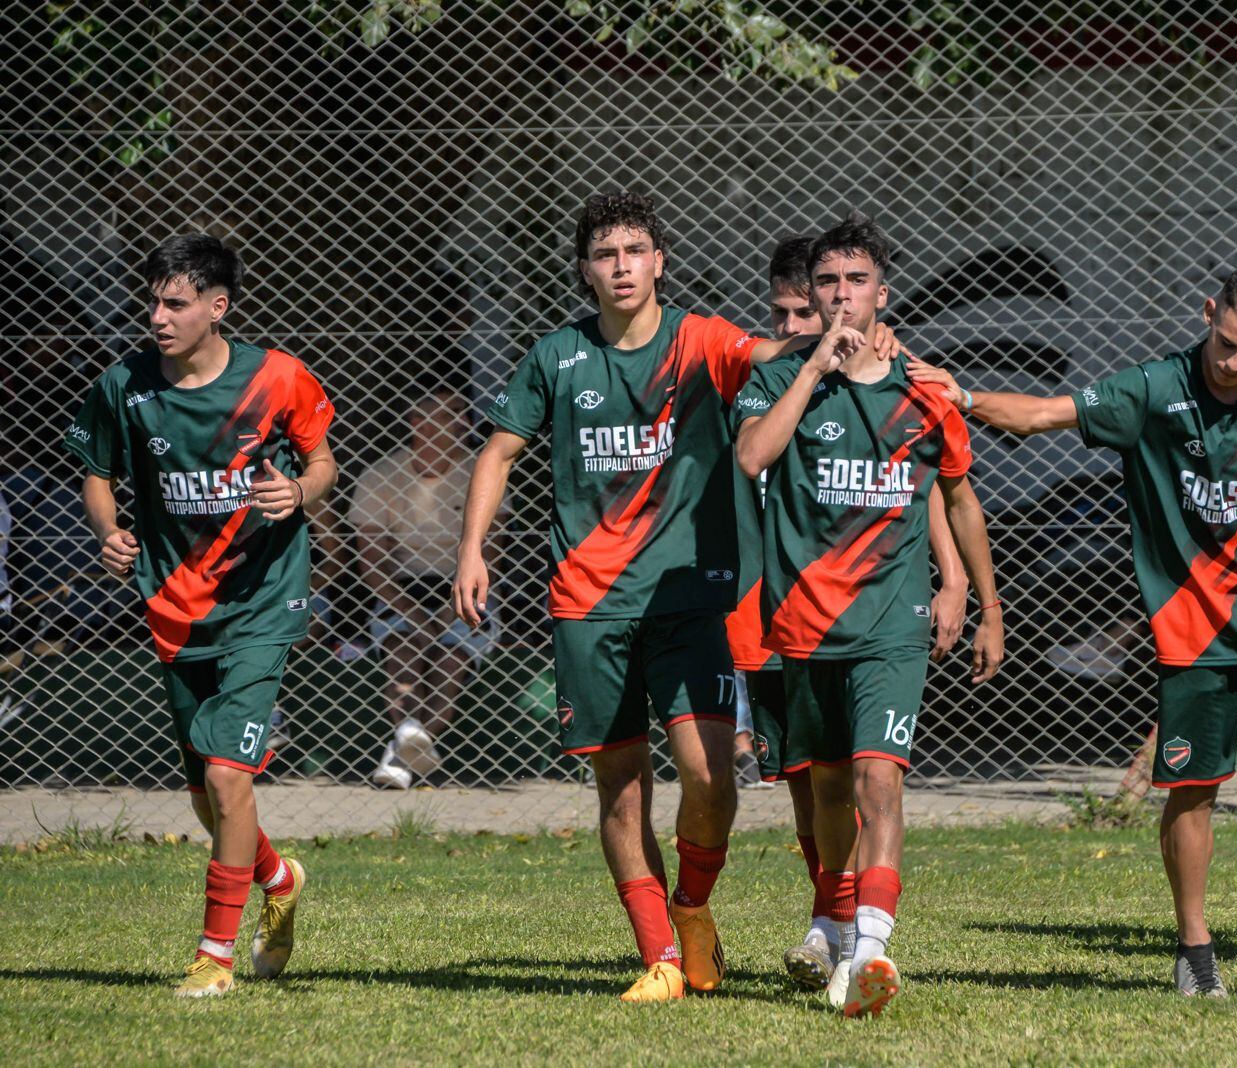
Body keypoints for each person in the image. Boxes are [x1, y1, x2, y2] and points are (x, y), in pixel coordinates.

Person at [909, 263, 1237, 998]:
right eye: (1226, 342)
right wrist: (966, 395)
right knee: (1194, 790)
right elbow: (1041, 414)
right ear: (1210, 312)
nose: (1233, 362)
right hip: (1193, 627)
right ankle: (1195, 950)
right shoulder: (1151, 390)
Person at [454, 191, 866, 1003]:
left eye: (635, 251)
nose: (621, 266)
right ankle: (661, 958)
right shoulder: (555, 358)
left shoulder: (698, 340)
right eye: (606, 255)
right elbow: (499, 452)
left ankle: (694, 905)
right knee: (623, 782)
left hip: (686, 596)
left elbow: (765, 354)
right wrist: (471, 551)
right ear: (585, 270)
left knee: (712, 777)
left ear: (658, 262)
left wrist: (833, 338)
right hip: (587, 603)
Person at [735, 212, 1004, 1017]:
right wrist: (816, 363)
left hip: (892, 624)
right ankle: (829, 919)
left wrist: (982, 601)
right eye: (827, 284)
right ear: (809, 297)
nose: (842, 296)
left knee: (877, 781)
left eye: (857, 282)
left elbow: (959, 497)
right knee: (823, 795)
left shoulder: (922, 391)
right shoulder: (783, 377)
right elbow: (752, 456)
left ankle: (870, 952)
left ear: (882, 292)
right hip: (806, 625)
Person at [62, 234, 337, 996]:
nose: (157, 316)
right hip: (175, 603)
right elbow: (97, 473)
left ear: (217, 308)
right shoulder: (124, 384)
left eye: (175, 303)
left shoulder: (277, 377)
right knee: (202, 791)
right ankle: (279, 881)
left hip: (262, 598)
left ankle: (214, 957)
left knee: (226, 775)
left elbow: (322, 462)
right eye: (152, 300)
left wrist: (301, 493)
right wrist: (109, 531)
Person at [351, 379, 502, 788]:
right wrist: (412, 611)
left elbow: (495, 550)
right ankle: (409, 744)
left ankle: (401, 752)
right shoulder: (380, 475)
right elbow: (373, 562)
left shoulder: (481, 473)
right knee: (403, 648)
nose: (438, 427)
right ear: (413, 422)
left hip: (466, 583)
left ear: (464, 425)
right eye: (428, 417)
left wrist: (451, 605)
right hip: (402, 585)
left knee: (451, 659)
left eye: (451, 419)